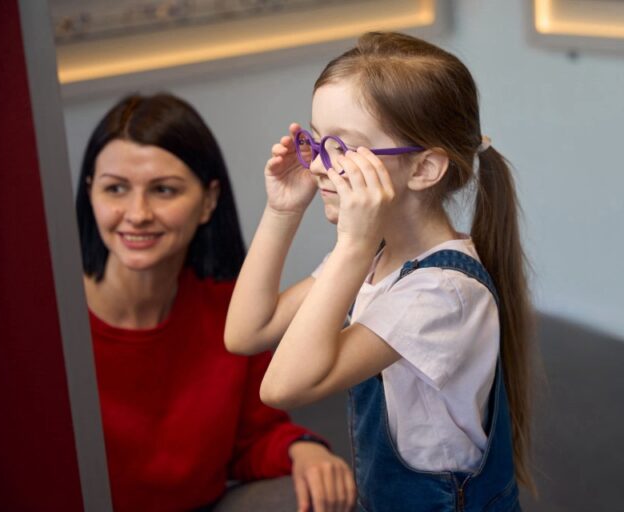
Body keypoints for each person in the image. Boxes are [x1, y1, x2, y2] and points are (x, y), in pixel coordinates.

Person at [225, 32, 534, 511]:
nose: (321, 166)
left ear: (425, 169)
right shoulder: (372, 258)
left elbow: (282, 386)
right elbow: (247, 333)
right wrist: (282, 212)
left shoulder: (442, 293)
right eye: (317, 140)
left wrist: (353, 243)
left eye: (343, 149)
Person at [75, 93, 355, 512]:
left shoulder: (235, 313)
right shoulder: (51, 325)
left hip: (205, 506)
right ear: (90, 193)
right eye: (115, 189)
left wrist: (302, 449)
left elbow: (253, 438)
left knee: (309, 499)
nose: (137, 213)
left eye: (163, 190)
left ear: (208, 201)